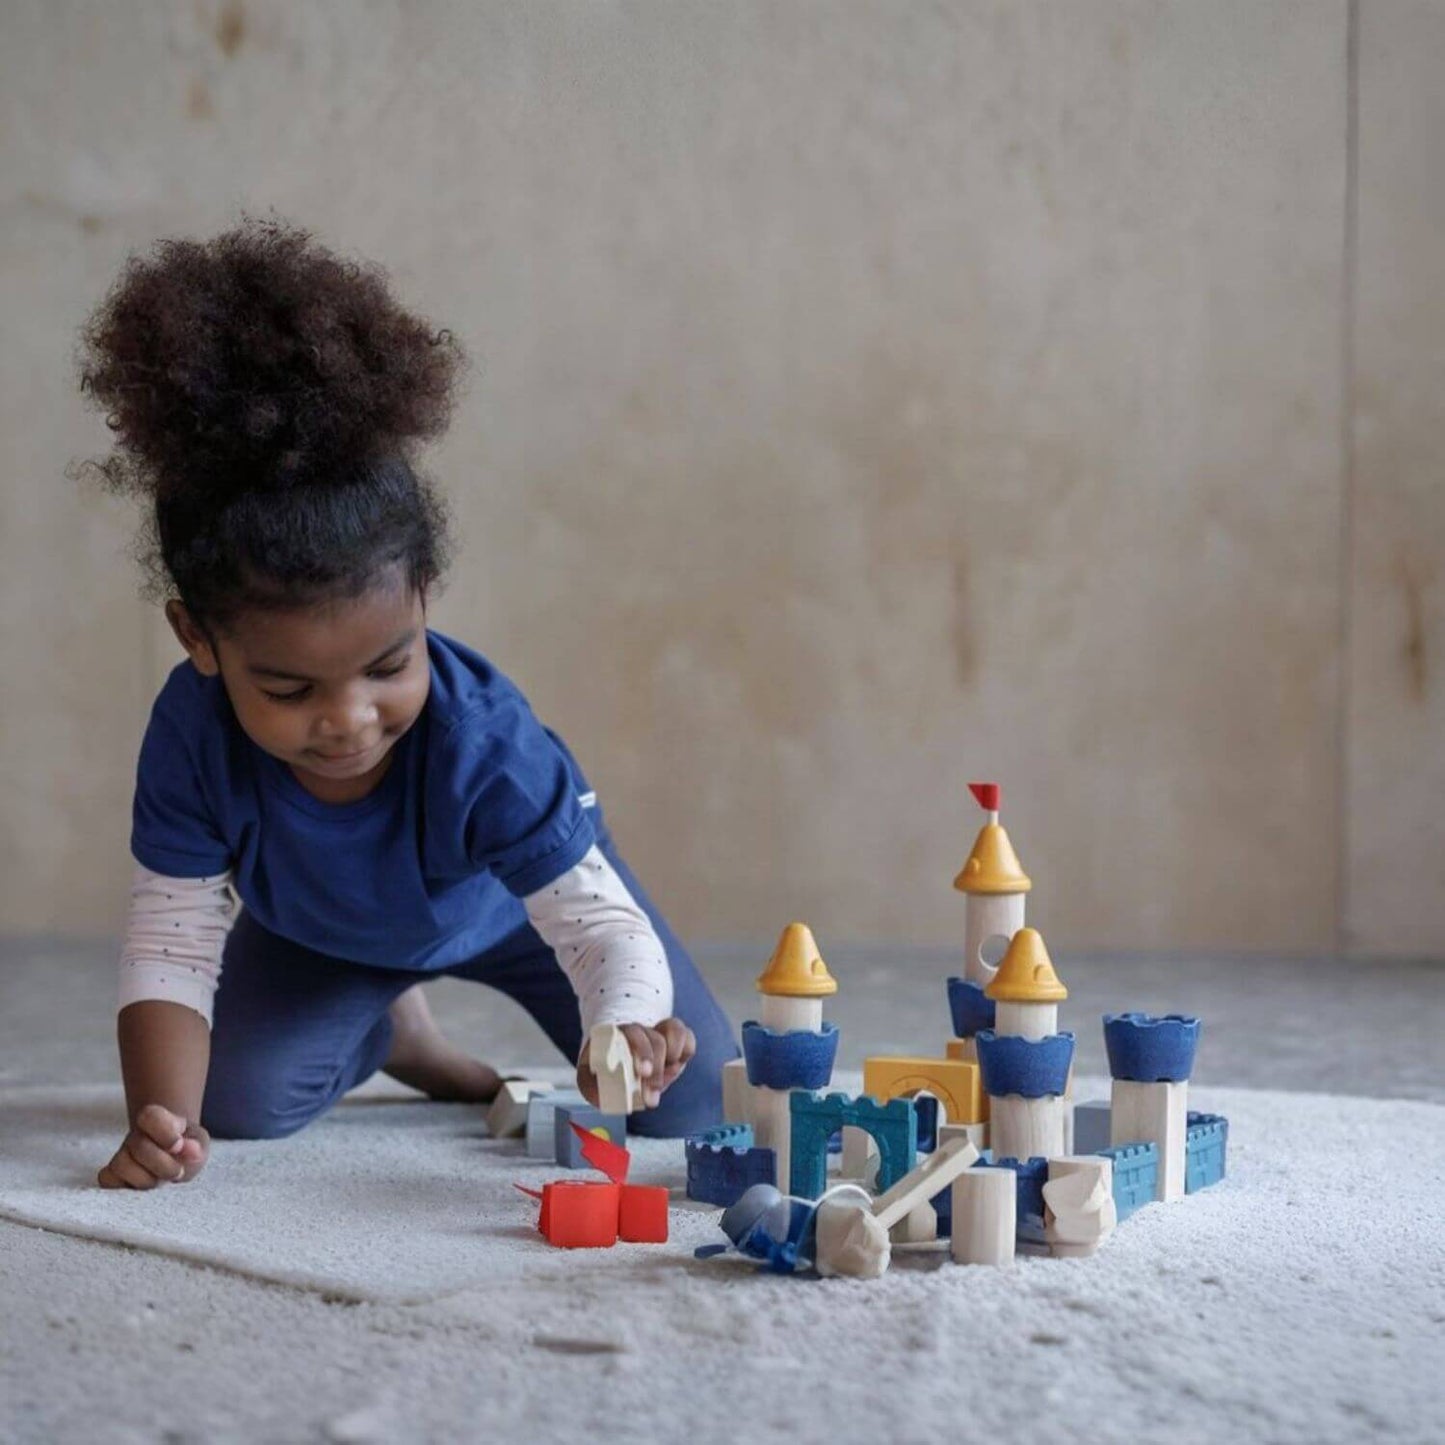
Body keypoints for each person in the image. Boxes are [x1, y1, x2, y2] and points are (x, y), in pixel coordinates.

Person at [76, 218, 736, 1189]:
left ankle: (443, 1015)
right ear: (199, 641)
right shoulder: (191, 735)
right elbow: (171, 939)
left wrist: (624, 1028)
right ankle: (393, 1029)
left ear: (423, 598)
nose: (346, 717)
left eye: (387, 666)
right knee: (235, 1105)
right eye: (291, 687)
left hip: (513, 913)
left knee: (691, 1103)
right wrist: (158, 1120)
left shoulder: (485, 742)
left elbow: (595, 925)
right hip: (320, 933)